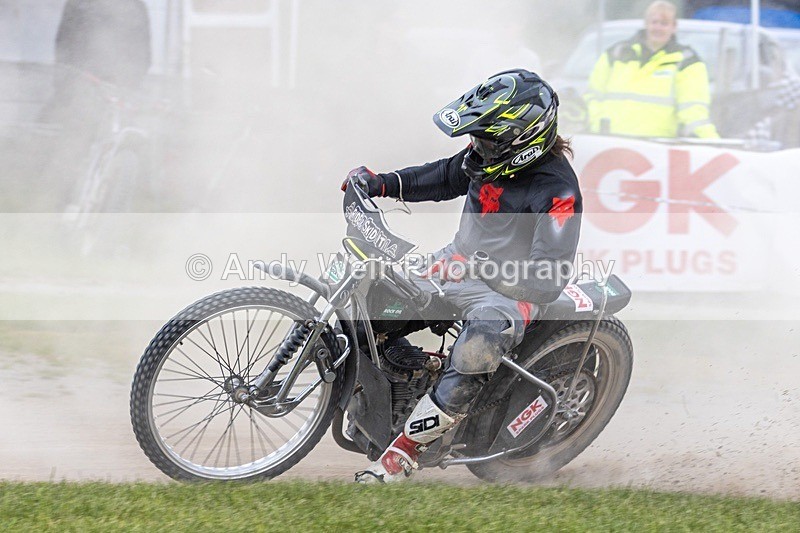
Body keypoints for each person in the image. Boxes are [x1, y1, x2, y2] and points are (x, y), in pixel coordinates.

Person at [341, 69, 583, 483]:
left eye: (485, 139)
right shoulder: (485, 160)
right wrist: (377, 183)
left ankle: (405, 453)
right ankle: (407, 376)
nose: (475, 148)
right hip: (456, 262)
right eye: (475, 137)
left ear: (522, 139)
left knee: (476, 349)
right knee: (372, 300)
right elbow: (438, 176)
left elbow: (548, 278)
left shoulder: (559, 191)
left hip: (510, 291)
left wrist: (481, 267)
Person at [584, 0, 719, 138]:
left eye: (664, 23)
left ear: (674, 27)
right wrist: (597, 124)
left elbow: (693, 109)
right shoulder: (616, 54)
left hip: (658, 147)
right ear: (646, 23)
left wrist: (713, 143)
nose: (658, 28)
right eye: (654, 22)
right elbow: (592, 95)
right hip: (610, 142)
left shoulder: (686, 61)